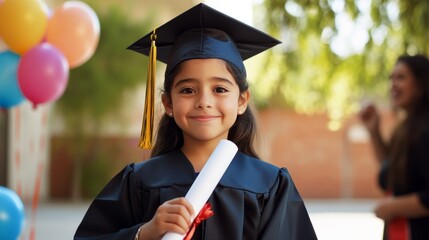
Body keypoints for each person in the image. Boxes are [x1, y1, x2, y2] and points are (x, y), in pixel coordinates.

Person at [74, 3, 317, 240]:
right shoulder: (140, 181)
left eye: (220, 89)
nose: (204, 101)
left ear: (242, 100)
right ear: (168, 103)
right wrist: (144, 233)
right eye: (188, 90)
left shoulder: (269, 185)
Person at [359, 54, 429, 240]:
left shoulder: (425, 131)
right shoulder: (406, 129)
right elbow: (392, 173)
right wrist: (374, 131)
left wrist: (392, 207)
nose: (393, 85)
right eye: (391, 78)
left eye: (401, 77)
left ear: (421, 85)